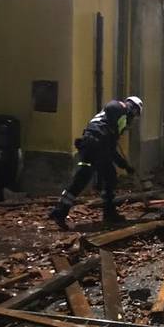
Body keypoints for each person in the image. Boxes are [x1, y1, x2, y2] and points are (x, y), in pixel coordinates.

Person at [49, 96, 143, 229]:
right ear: (133, 109)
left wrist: (122, 163)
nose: (133, 120)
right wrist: (125, 165)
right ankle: (62, 212)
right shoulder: (122, 114)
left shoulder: (109, 112)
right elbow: (110, 148)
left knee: (89, 177)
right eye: (135, 115)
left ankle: (61, 209)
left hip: (89, 142)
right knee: (104, 177)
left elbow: (109, 145)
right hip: (97, 145)